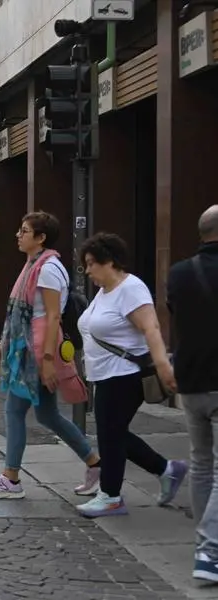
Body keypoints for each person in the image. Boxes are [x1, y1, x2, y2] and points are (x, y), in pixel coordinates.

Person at [0, 212, 101, 500]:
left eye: (24, 231)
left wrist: (45, 363)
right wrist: (2, 347)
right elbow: (26, 317)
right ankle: (95, 463)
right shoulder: (34, 265)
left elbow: (51, 317)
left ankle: (11, 478)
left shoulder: (47, 269)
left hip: (37, 356)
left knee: (14, 411)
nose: (18, 235)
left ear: (41, 238)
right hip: (30, 352)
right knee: (47, 415)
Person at [74, 232, 186, 518]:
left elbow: (151, 328)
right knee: (114, 433)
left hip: (125, 375)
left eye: (91, 264)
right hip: (105, 375)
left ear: (109, 261)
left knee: (110, 435)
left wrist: (162, 364)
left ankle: (110, 496)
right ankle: (166, 469)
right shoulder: (105, 290)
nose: (87, 271)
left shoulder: (131, 289)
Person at [167, 205, 218, 580]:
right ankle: (209, 551)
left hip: (191, 380)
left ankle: (206, 544)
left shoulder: (179, 272)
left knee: (201, 463)